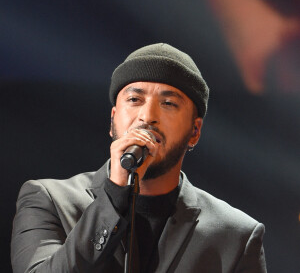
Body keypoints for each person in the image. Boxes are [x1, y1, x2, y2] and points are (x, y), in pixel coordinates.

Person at [11, 43, 267, 273]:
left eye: (168, 103)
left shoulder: (236, 235)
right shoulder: (49, 200)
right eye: (134, 99)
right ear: (112, 120)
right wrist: (115, 193)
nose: (147, 116)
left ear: (195, 131)